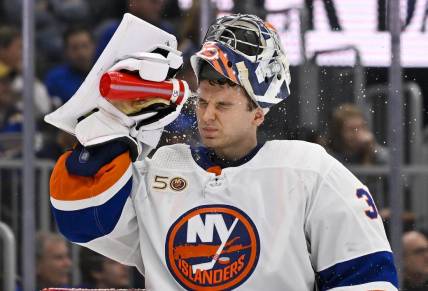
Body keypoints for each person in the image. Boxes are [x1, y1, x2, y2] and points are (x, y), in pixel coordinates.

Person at [48, 14, 398, 290]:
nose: (207, 115)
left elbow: (366, 277)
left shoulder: (310, 170)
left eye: (224, 105)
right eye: (203, 101)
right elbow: (81, 223)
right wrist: (110, 130)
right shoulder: (160, 171)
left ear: (258, 112)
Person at [44, 25, 95, 106]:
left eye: (85, 46)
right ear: (66, 51)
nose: (81, 53)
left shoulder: (105, 74)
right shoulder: (55, 79)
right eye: (75, 48)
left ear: (93, 47)